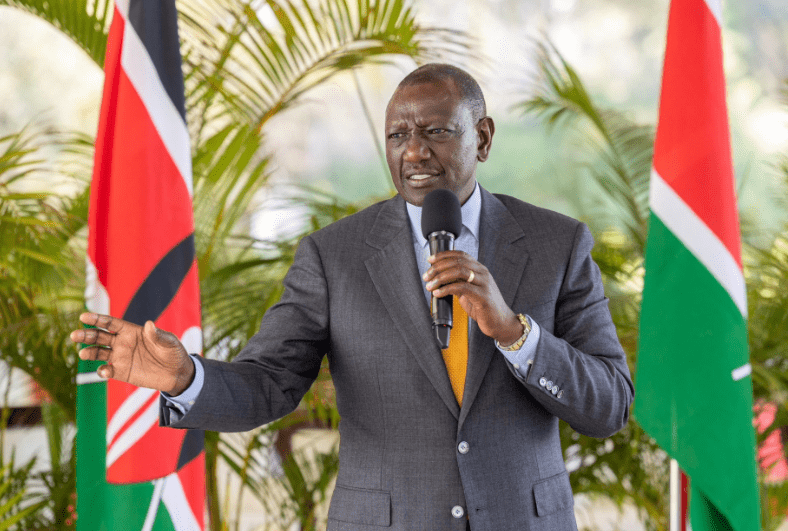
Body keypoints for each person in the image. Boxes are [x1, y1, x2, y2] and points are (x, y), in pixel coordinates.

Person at [72, 63, 634, 530]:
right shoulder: (333, 255)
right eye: (397, 136)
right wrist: (185, 378)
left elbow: (609, 405)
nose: (414, 152)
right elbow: (270, 382)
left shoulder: (556, 243)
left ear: (482, 137)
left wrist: (515, 332)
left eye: (436, 131)